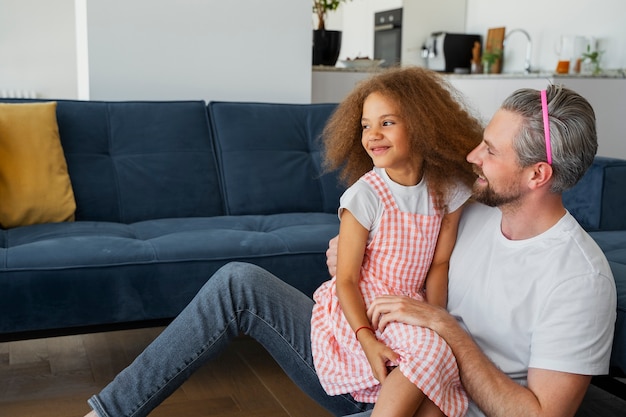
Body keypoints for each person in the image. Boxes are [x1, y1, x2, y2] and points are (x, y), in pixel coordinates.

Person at [84, 82, 617, 417]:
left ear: (538, 174)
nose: (472, 154)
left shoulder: (578, 278)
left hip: (433, 400)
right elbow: (401, 224)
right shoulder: (469, 206)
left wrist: (446, 330)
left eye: (490, 150)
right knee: (237, 282)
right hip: (372, 356)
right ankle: (107, 412)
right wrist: (352, 257)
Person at [309, 68, 482, 417]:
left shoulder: (446, 190)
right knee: (431, 353)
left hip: (408, 306)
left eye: (387, 123)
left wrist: (436, 317)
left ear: (422, 125)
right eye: (365, 125)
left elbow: (438, 264)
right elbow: (345, 280)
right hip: (364, 308)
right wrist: (367, 338)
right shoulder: (365, 196)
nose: (373, 135)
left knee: (445, 362)